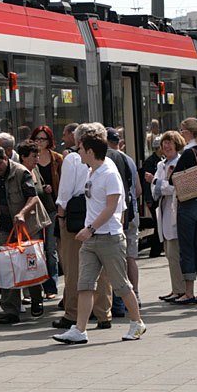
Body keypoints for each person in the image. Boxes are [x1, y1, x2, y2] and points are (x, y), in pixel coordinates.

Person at [53, 124, 147, 344]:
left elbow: (112, 207)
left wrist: (90, 228)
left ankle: (137, 322)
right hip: (92, 239)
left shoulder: (109, 173)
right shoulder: (91, 171)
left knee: (121, 284)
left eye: (80, 149)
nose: (77, 152)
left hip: (109, 238)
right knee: (85, 284)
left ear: (90, 151)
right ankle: (80, 329)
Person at [53, 123, 113, 330]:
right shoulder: (107, 160)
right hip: (99, 218)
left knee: (74, 267)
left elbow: (64, 193)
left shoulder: (72, 159)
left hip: (76, 218)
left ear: (79, 140)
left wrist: (61, 217)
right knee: (102, 269)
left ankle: (72, 313)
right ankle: (103, 312)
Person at [0, 143, 43, 324]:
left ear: (5, 158)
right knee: (7, 267)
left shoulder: (21, 172)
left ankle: (36, 298)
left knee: (30, 264)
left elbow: (33, 197)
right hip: (6, 227)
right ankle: (11, 310)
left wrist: (22, 213)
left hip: (27, 226)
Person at [170, 117, 197, 305]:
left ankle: (189, 292)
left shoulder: (188, 152)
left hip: (188, 203)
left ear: (188, 132)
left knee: (187, 248)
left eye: (182, 130)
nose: (181, 133)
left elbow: (173, 178)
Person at [148, 130, 186, 301]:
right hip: (164, 210)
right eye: (164, 143)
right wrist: (159, 185)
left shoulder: (179, 163)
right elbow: (156, 189)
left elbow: (173, 188)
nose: (167, 146)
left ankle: (180, 289)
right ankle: (175, 288)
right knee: (169, 254)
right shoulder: (161, 165)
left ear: (177, 145)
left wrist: (156, 182)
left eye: (170, 143)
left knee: (175, 254)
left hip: (175, 211)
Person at [106, 127, 141, 306]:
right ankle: (136, 294)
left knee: (116, 259)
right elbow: (138, 190)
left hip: (119, 215)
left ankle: (119, 299)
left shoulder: (109, 160)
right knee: (131, 257)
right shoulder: (129, 160)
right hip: (133, 213)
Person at [29, 125, 64, 298]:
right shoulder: (29, 158)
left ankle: (51, 287)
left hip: (51, 208)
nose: (40, 142)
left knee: (50, 248)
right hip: (34, 209)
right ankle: (36, 287)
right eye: (37, 138)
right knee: (36, 248)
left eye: (43, 139)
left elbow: (63, 183)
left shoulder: (57, 159)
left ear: (49, 140)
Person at [140, 136, 165, 258]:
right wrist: (148, 199)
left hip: (160, 195)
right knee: (158, 223)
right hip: (153, 197)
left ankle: (158, 248)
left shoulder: (163, 160)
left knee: (160, 223)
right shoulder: (150, 162)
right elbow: (146, 183)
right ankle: (155, 250)